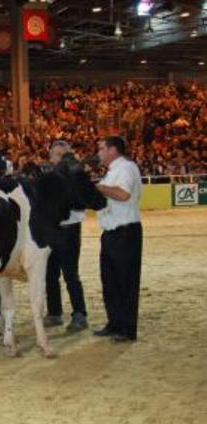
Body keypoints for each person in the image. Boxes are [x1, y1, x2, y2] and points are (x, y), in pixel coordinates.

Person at [93, 136, 142, 342]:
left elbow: (123, 195)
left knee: (125, 283)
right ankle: (115, 323)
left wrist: (98, 187)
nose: (99, 153)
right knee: (110, 282)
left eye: (102, 149)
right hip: (112, 233)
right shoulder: (113, 171)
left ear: (113, 150)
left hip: (125, 233)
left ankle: (126, 329)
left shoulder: (126, 168)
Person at [43, 141, 89, 332]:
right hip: (49, 229)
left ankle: (79, 314)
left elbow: (83, 202)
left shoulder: (77, 176)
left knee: (71, 274)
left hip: (69, 229)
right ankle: (54, 313)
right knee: (50, 274)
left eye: (64, 155)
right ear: (51, 157)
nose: (60, 159)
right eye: (57, 155)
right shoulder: (46, 176)